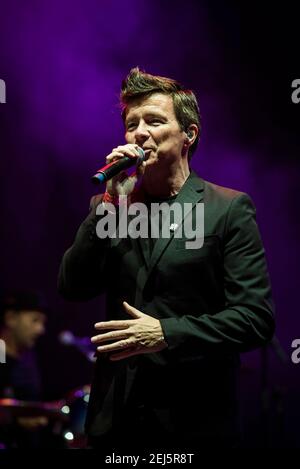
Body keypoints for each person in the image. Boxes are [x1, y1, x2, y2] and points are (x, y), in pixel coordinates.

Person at [58, 67, 275, 450]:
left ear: (188, 135)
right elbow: (73, 287)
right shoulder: (113, 205)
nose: (139, 133)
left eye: (154, 121)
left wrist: (165, 333)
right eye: (131, 124)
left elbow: (255, 319)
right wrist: (111, 203)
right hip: (118, 422)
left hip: (194, 421)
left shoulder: (227, 208)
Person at [0, 290, 48, 447]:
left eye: (43, 323)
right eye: (35, 321)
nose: (41, 329)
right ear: (11, 318)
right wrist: (15, 420)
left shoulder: (29, 358)